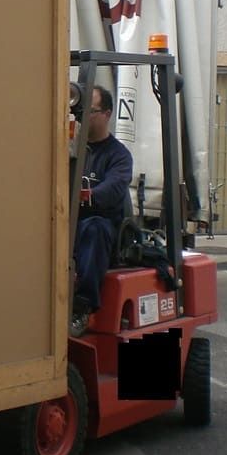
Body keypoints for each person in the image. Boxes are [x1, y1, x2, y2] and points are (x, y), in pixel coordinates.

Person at [71, 85, 133, 334]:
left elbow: (112, 190)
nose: (81, 117)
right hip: (70, 223)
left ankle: (82, 307)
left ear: (107, 114)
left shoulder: (118, 156)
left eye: (90, 111)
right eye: (79, 111)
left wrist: (84, 195)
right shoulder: (72, 149)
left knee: (95, 228)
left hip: (99, 227)